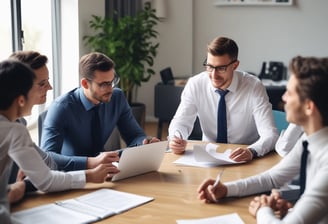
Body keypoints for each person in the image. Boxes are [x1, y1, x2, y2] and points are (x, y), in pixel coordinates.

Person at [197, 56, 328, 223]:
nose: (284, 98)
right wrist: (226, 189)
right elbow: (272, 178)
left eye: (290, 92)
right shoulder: (309, 140)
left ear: (309, 106)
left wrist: (262, 210)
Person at [0, 60, 117, 223]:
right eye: (35, 88)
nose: (44, 91)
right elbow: (46, 181)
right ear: (21, 100)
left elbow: (47, 162)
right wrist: (89, 176)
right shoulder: (14, 130)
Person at [168, 36, 278, 162]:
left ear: (235, 65)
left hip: (245, 158)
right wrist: (176, 137)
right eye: (209, 66)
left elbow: (270, 134)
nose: (214, 75)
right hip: (207, 157)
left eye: (221, 68)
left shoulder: (253, 87)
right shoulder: (195, 84)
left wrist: (252, 151)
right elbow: (181, 121)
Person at [40, 52, 159, 167]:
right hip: (72, 175)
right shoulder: (61, 107)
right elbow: (47, 157)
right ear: (85, 84)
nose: (110, 89)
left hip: (104, 169)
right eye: (103, 84)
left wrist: (145, 142)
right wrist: (90, 162)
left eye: (112, 82)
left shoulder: (117, 98)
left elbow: (134, 135)